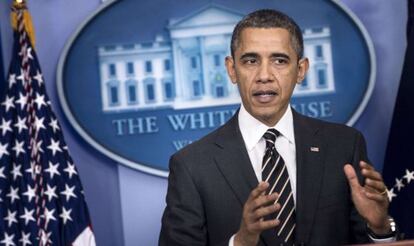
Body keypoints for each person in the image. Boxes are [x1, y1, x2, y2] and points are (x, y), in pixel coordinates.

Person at [159, 9, 397, 246]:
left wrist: (380, 227)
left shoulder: (344, 146)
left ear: (300, 70)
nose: (264, 75)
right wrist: (240, 242)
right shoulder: (192, 166)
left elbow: (366, 237)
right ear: (232, 70)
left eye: (279, 60)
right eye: (251, 61)